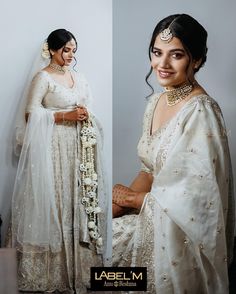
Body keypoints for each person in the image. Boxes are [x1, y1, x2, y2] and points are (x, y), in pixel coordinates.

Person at [112, 14, 235, 293]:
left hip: (181, 237)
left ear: (197, 60)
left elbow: (199, 203)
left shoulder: (201, 111)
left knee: (104, 264)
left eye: (176, 55)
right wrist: (118, 207)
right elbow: (149, 170)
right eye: (157, 53)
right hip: (151, 213)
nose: (162, 64)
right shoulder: (156, 101)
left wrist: (135, 199)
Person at [7, 29, 110, 293]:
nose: (70, 55)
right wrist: (65, 117)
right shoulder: (43, 78)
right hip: (52, 149)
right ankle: (48, 272)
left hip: (77, 148)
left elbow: (82, 106)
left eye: (74, 50)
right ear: (51, 49)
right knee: (54, 200)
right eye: (66, 50)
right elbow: (31, 114)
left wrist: (85, 113)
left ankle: (80, 268)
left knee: (77, 200)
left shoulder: (78, 77)